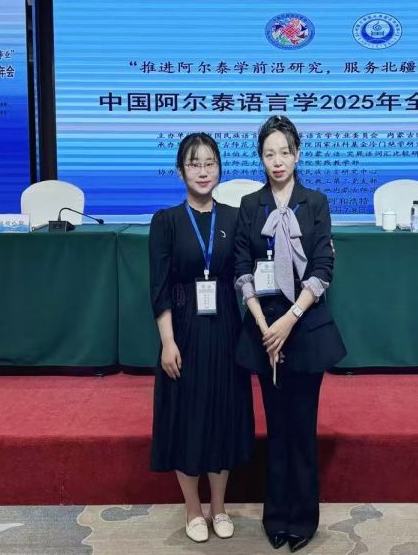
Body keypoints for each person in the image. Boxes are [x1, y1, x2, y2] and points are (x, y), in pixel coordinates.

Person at [234, 115, 347, 552]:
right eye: (269, 154)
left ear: (297, 154)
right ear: (261, 159)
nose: (277, 161)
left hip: (305, 328)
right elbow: (241, 268)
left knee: (301, 426)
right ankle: (276, 516)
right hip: (265, 331)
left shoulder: (314, 202)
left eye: (284, 152)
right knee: (276, 427)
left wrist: (290, 319)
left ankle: (303, 519)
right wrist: (267, 328)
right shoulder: (250, 205)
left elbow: (323, 267)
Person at [149, 132, 255, 543]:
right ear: (181, 171)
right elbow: (159, 287)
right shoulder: (167, 221)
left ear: (219, 169)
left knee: (223, 417)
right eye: (194, 163)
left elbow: (251, 266)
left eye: (210, 163)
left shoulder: (234, 218)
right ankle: (192, 508)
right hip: (185, 330)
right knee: (187, 417)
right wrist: (168, 341)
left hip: (227, 328)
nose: (203, 171)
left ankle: (219, 506)